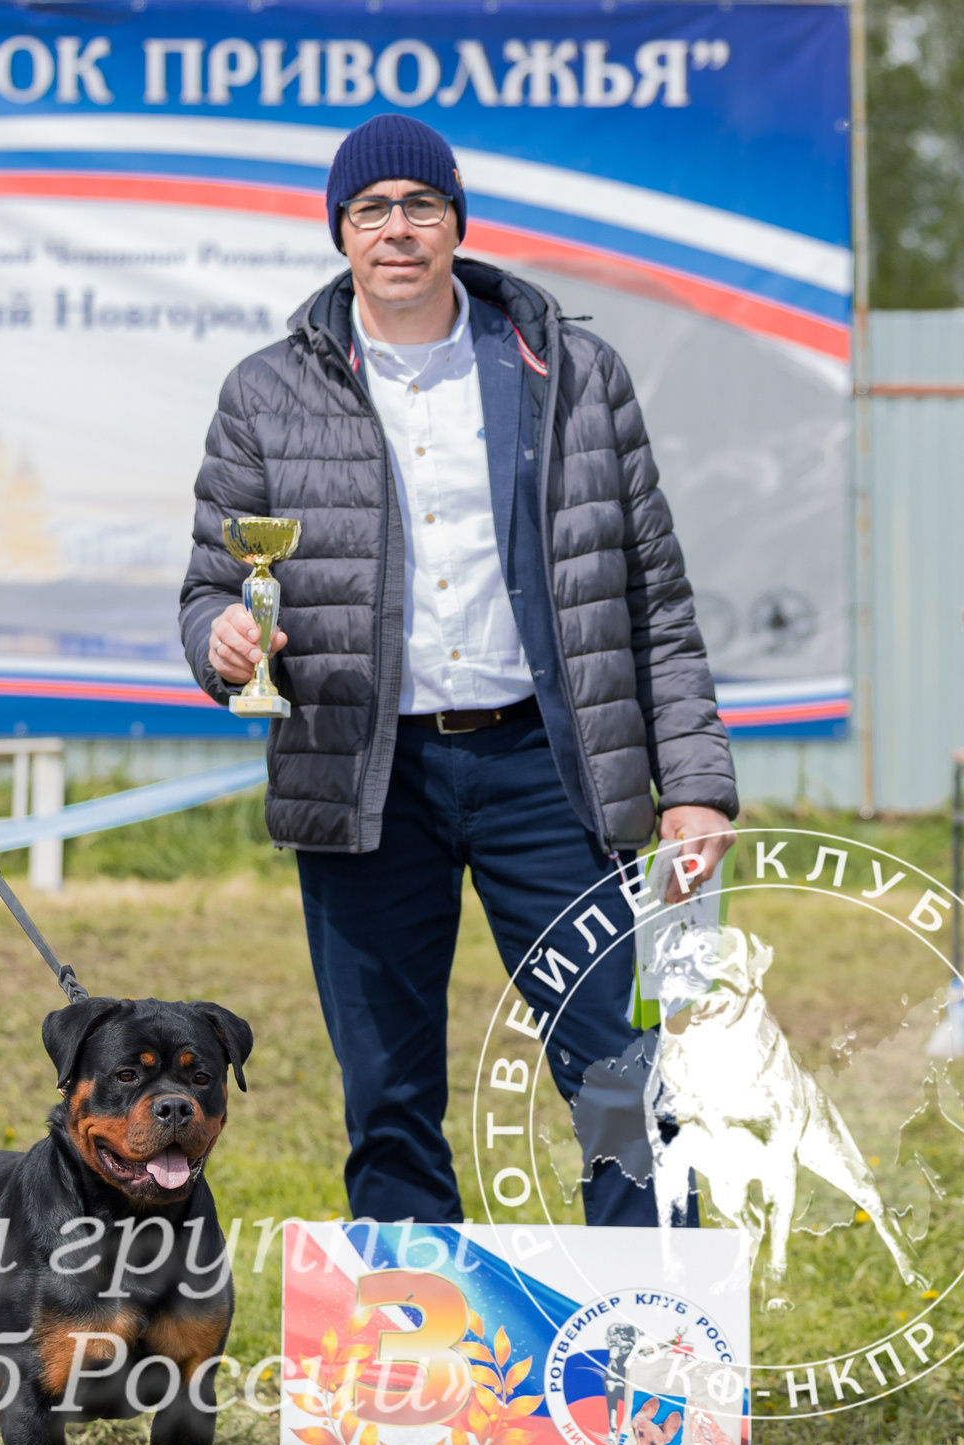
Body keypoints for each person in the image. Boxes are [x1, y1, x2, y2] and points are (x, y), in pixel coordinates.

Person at [180, 114, 739, 1228]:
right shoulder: (264, 391)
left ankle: (658, 1359)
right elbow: (211, 587)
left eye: (419, 206)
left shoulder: (572, 371)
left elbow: (653, 599)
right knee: (387, 1096)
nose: (397, 230)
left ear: (456, 224)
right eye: (371, 210)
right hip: (361, 779)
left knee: (619, 1075)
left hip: (548, 767)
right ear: (339, 232)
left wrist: (693, 782)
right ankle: (415, 1374)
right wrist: (220, 644)